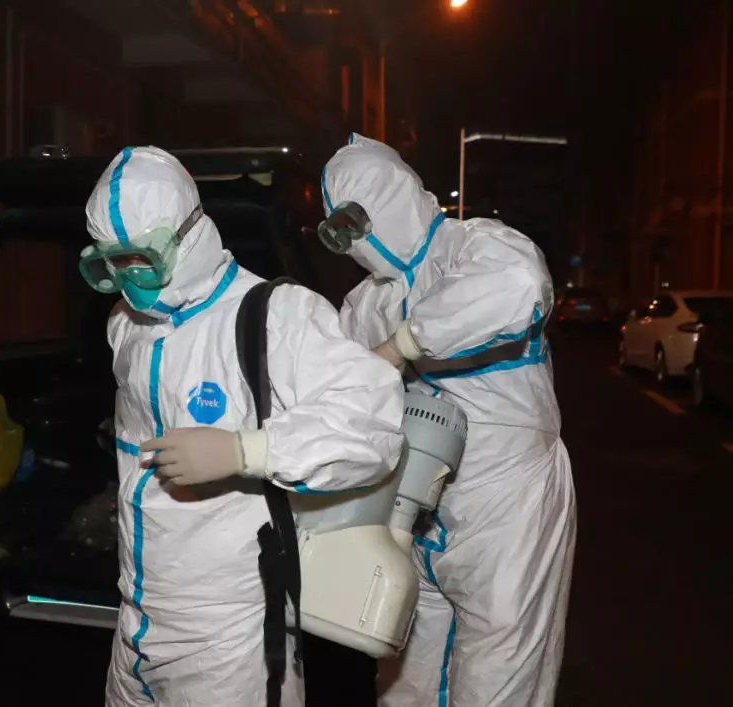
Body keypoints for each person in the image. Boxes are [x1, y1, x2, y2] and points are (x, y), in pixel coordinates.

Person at [78, 146, 407, 706]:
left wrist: (245, 451)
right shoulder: (128, 326)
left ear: (188, 235)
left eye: (140, 260)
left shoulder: (276, 315)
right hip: (136, 616)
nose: (129, 281)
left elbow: (373, 423)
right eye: (112, 265)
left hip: (227, 632)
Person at [318, 134, 577, 707]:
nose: (356, 244)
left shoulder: (476, 247)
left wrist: (403, 346)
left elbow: (518, 287)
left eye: (357, 222)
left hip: (506, 502)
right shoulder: (364, 304)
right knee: (406, 679)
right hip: (410, 507)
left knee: (498, 677)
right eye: (340, 233)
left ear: (393, 197)